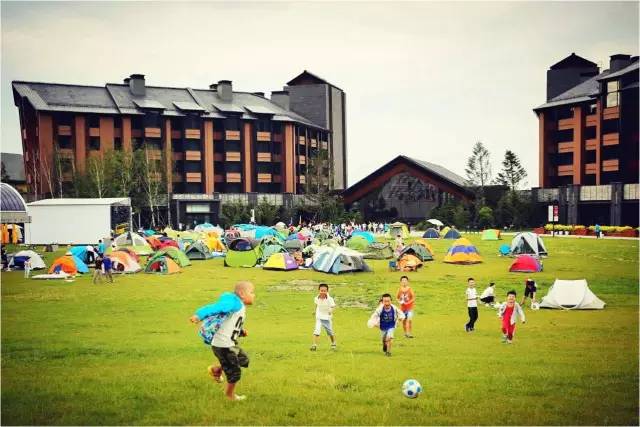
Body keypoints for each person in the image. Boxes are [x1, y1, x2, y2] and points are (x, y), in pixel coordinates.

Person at [190, 281, 255, 401]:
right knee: (234, 372)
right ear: (241, 293)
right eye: (251, 292)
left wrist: (240, 331)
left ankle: (217, 369)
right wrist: (199, 315)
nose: (253, 295)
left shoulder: (238, 305)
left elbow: (229, 323)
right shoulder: (233, 303)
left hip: (229, 344)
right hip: (223, 345)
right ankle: (229, 396)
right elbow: (216, 307)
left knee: (243, 360)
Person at [310, 283, 337, 351]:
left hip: (327, 317)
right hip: (319, 316)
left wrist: (331, 311)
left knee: (329, 332)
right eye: (321, 290)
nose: (323, 292)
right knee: (317, 330)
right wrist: (314, 311)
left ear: (327, 291)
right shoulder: (316, 298)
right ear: (319, 290)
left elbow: (333, 306)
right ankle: (314, 345)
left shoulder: (330, 299)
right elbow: (316, 305)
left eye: (324, 291)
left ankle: (333, 343)